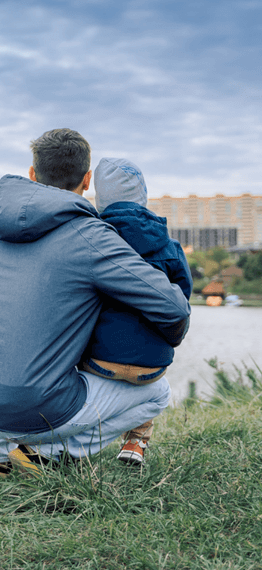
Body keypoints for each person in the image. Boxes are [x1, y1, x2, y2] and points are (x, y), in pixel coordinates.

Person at [0, 128, 190, 478]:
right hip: (32, 407)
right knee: (157, 393)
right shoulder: (89, 236)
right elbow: (173, 307)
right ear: (87, 180)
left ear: (32, 173)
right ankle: (46, 454)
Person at [80, 157, 192, 465]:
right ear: (143, 195)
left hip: (99, 364)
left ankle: (75, 441)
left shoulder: (94, 240)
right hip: (153, 367)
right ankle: (137, 441)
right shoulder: (168, 246)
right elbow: (181, 298)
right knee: (144, 375)